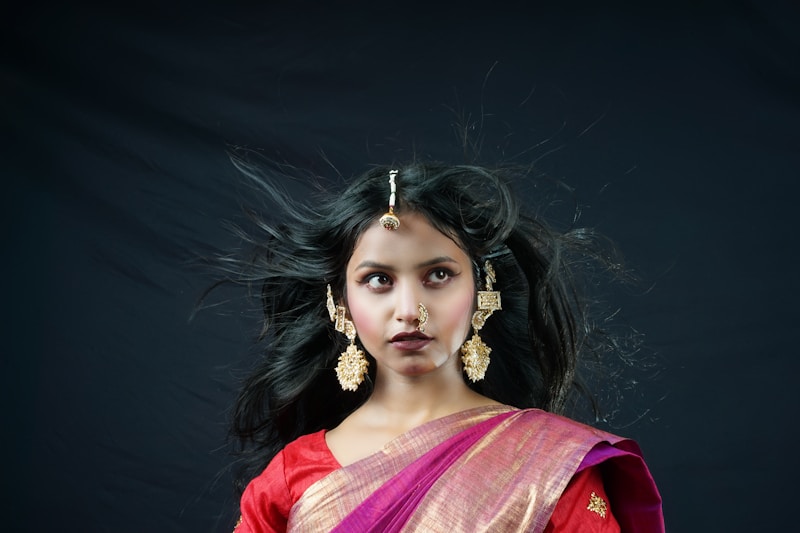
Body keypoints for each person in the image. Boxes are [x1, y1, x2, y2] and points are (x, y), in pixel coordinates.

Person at [227, 161, 664, 532]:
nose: (410, 310)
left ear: (482, 287)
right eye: (378, 279)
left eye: (438, 275)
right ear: (340, 302)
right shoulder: (291, 478)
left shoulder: (549, 467)